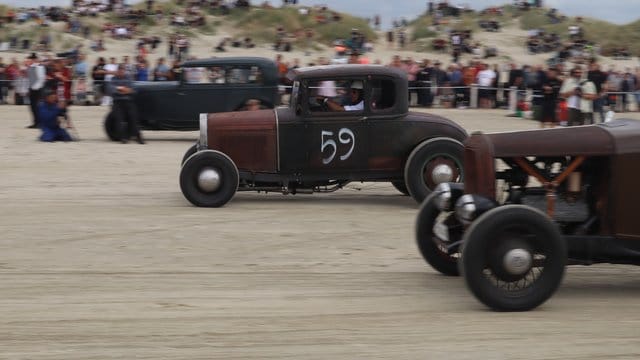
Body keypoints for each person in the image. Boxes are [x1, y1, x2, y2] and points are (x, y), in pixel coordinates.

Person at [109, 64, 144, 144]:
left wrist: (121, 90)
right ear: (117, 71)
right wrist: (122, 89)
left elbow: (134, 90)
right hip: (117, 102)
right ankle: (123, 138)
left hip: (128, 102)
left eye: (122, 70)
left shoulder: (129, 78)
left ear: (124, 71)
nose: (121, 72)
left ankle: (138, 137)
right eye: (119, 70)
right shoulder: (113, 79)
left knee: (134, 118)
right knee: (119, 120)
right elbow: (111, 90)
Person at [27, 53, 46, 128]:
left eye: (32, 58)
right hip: (32, 89)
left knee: (37, 106)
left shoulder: (40, 67)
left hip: (37, 89)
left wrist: (35, 87)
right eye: (31, 58)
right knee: (32, 107)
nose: (31, 60)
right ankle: (35, 122)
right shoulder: (31, 67)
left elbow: (41, 78)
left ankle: (39, 123)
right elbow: (30, 79)